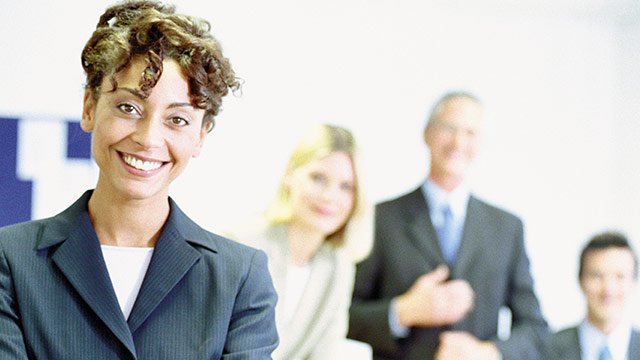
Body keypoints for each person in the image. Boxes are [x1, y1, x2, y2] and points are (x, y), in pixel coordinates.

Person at [0, 1, 278, 358]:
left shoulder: (238, 278)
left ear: (201, 135)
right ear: (89, 107)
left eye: (177, 120)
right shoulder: (12, 259)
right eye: (128, 108)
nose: (148, 139)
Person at [348, 91, 549, 359]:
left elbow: (536, 329)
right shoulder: (382, 219)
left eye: (470, 133)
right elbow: (342, 314)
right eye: (449, 128)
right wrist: (403, 311)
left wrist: (487, 352)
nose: (458, 142)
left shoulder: (506, 228)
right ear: (427, 134)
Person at [226, 124, 373, 359]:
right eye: (318, 178)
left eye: (346, 187)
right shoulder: (242, 244)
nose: (329, 196)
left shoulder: (339, 266)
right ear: (290, 173)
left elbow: (326, 351)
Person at [550, 231, 640, 360]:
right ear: (581, 280)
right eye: (597, 276)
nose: (608, 289)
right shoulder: (546, 349)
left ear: (633, 282)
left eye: (620, 276)